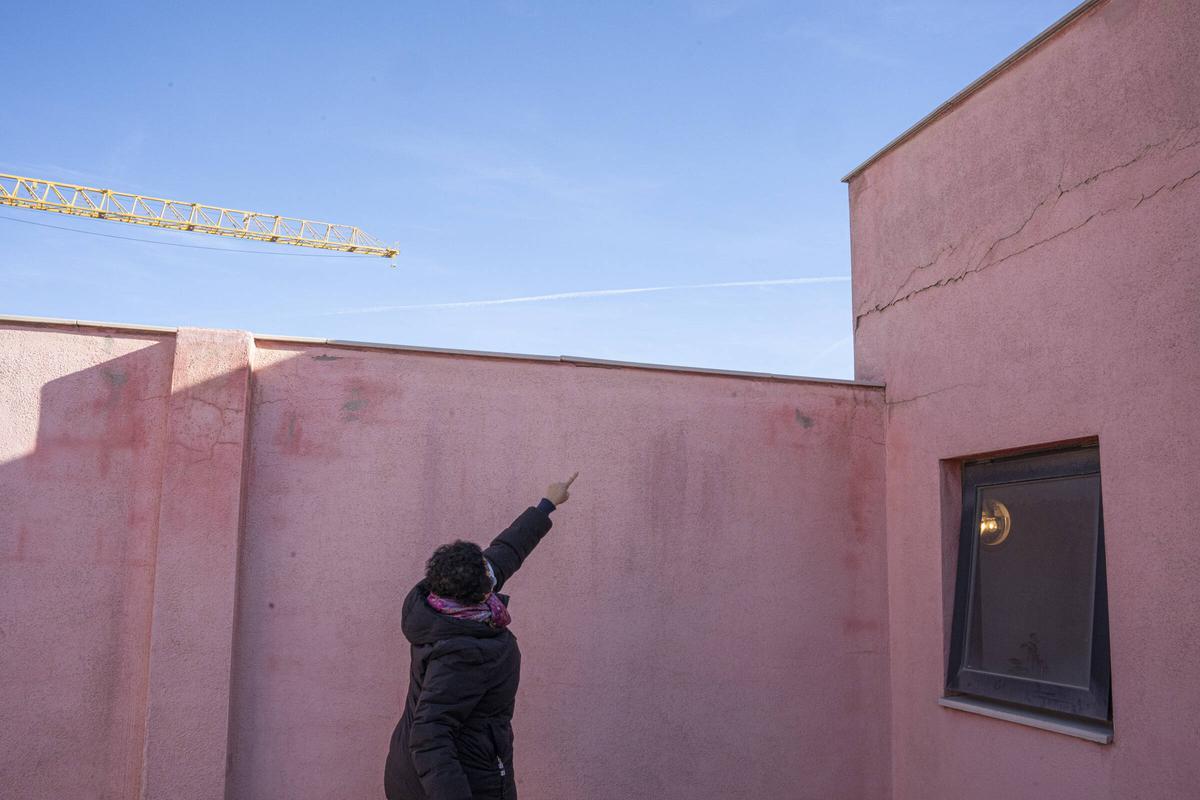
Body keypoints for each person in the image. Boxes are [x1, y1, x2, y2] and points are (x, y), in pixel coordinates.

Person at [384, 473, 578, 800]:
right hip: (454, 782)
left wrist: (546, 505)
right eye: (488, 575)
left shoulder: (439, 601)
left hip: (419, 773)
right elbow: (430, 737)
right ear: (482, 592)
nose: (493, 570)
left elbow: (505, 552)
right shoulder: (463, 654)